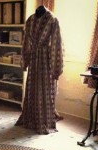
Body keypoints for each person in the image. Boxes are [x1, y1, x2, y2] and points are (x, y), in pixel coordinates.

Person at [15, 6, 64, 134]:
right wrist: (25, 60)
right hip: (33, 59)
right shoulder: (30, 20)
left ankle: (44, 119)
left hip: (46, 61)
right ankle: (31, 117)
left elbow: (56, 44)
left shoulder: (53, 20)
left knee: (45, 90)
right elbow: (26, 42)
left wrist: (56, 67)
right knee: (32, 89)